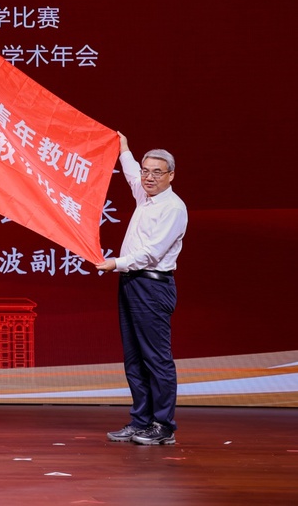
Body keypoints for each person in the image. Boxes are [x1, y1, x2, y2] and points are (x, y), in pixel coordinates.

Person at [98, 133, 187, 446]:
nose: (148, 177)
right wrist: (124, 148)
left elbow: (151, 253)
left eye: (156, 172)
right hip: (132, 283)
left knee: (156, 358)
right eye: (146, 171)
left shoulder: (172, 208)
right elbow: (131, 173)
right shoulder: (145, 196)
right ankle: (141, 421)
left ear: (171, 175)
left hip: (152, 285)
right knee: (134, 358)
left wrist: (116, 263)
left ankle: (163, 426)